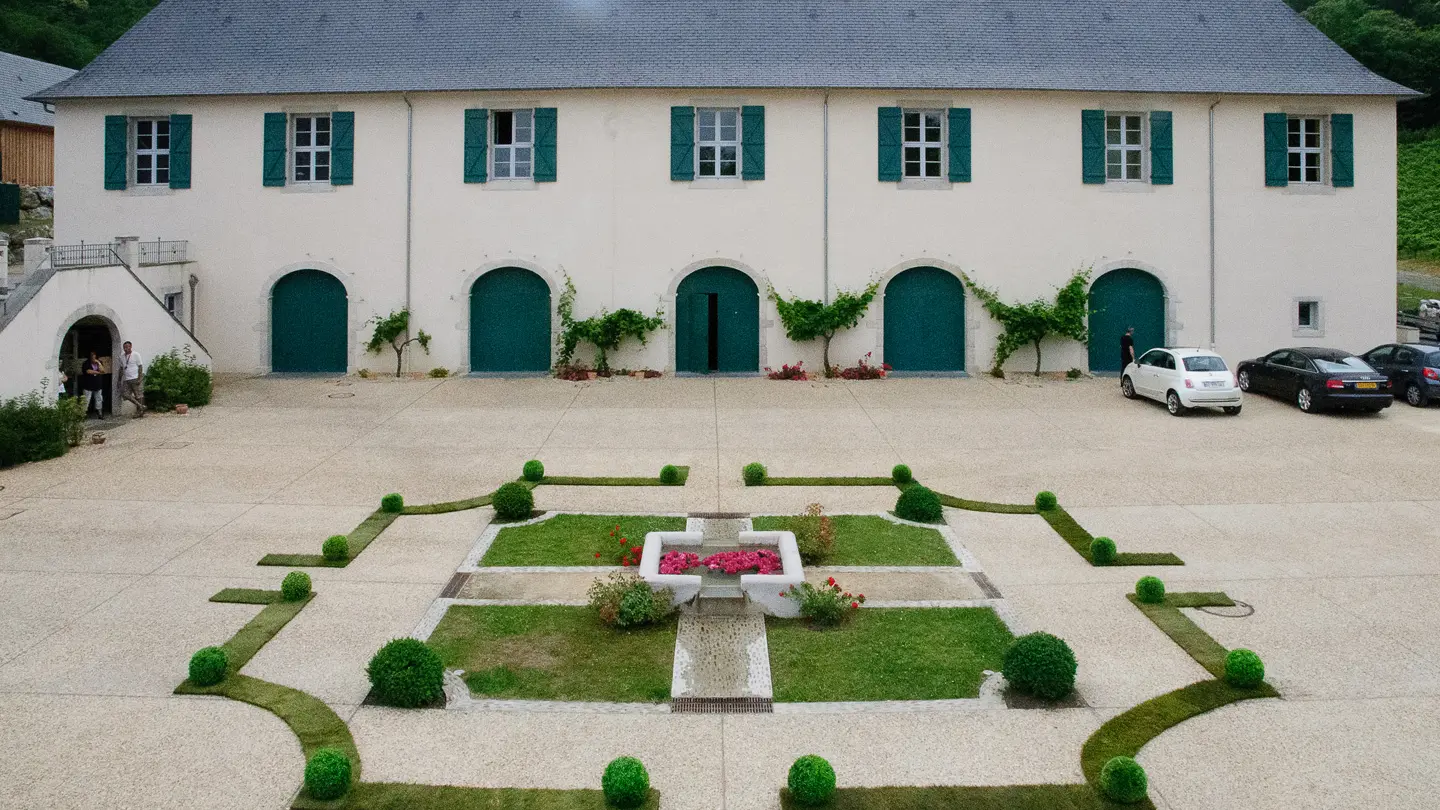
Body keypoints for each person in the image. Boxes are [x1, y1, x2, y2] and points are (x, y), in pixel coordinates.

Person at [117, 340, 146, 418]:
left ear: (131, 347)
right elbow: (121, 369)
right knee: (125, 394)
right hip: (127, 379)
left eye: (127, 347)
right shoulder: (121, 357)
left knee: (138, 395)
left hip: (135, 378)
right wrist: (119, 379)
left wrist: (139, 378)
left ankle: (140, 412)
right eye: (124, 347)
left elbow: (140, 366)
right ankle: (140, 406)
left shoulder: (136, 354)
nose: (126, 349)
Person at [80, 351, 106, 418]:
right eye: (92, 355)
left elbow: (103, 370)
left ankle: (99, 413)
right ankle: (83, 414)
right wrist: (98, 372)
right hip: (88, 385)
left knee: (99, 398)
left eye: (94, 355)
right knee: (86, 400)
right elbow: (88, 371)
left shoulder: (99, 362)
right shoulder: (86, 363)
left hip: (97, 384)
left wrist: (98, 363)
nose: (93, 357)